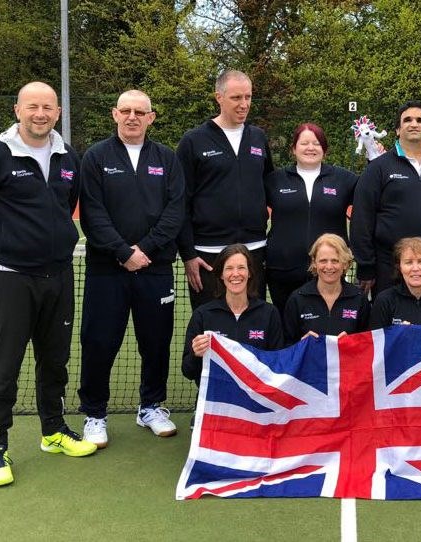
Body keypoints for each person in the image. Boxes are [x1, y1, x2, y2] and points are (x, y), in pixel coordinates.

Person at [0, 81, 97, 487]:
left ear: (58, 112)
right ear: (18, 109)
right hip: (11, 279)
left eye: (48, 107)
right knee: (5, 366)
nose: (41, 114)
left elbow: (65, 206)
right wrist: (6, 251)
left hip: (58, 275)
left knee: (54, 360)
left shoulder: (67, 155)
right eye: (33, 106)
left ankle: (53, 432)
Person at [76, 90, 185, 448]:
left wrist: (145, 250)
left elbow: (174, 212)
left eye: (140, 111)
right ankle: (95, 413)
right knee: (99, 342)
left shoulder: (167, 159)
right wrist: (123, 252)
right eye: (126, 111)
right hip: (107, 270)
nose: (133, 117)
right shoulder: (95, 157)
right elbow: (92, 214)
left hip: (155, 268)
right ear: (115, 114)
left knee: (156, 342)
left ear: (151, 117)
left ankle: (151, 406)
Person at [176, 69, 274, 309]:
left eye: (248, 97)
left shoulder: (258, 138)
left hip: (255, 250)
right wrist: (188, 254)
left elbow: (271, 186)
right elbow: (179, 201)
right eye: (236, 98)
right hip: (208, 255)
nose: (244, 104)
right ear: (218, 97)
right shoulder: (193, 141)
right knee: (212, 329)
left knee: (253, 328)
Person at [351, 101, 421, 298]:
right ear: (398, 129)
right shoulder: (378, 168)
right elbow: (362, 218)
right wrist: (367, 267)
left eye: (420, 120)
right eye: (407, 120)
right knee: (390, 329)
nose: (414, 124)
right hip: (388, 270)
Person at [264, 123, 358, 315]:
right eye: (304, 143)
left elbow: (372, 200)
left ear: (325, 149)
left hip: (329, 271)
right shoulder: (274, 180)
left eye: (316, 143)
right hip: (282, 271)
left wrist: (373, 159)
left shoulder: (345, 179)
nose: (310, 148)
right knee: (287, 328)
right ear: (293, 149)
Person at [182, 244, 283, 384]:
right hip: (216, 401)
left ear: (250, 273)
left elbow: (278, 365)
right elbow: (188, 371)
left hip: (257, 400)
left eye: (241, 268)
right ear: (221, 275)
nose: (235, 274)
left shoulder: (269, 313)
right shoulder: (203, 314)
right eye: (229, 268)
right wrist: (195, 354)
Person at [283, 234, 370, 343]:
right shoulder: (297, 299)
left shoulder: (359, 299)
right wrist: (301, 343)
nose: (329, 267)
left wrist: (353, 343)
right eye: (323, 261)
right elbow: (285, 348)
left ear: (345, 263)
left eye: (335, 261)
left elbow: (368, 346)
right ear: (314, 262)